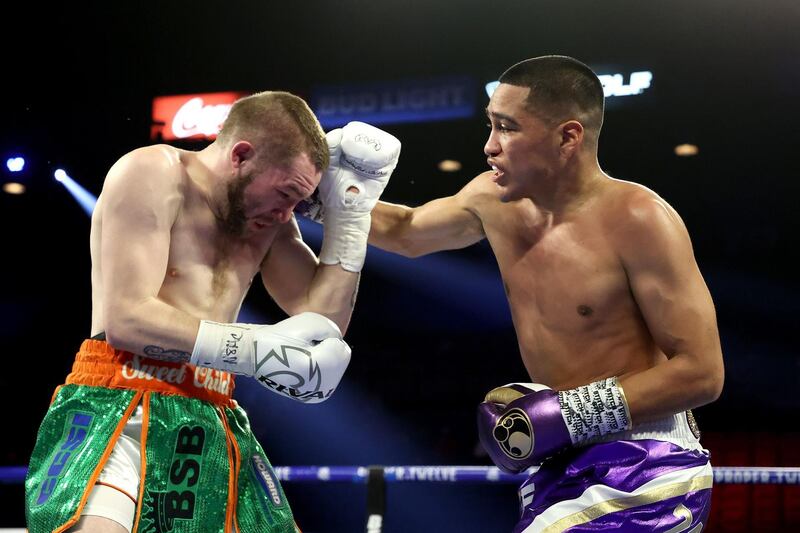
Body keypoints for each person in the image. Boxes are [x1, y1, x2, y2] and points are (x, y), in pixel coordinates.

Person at [369, 56, 723, 532]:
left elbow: (703, 373)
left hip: (646, 460)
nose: (489, 146)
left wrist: (570, 414)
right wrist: (312, 194)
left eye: (507, 127)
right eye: (490, 125)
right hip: (560, 459)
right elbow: (406, 231)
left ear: (568, 136)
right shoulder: (491, 200)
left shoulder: (639, 218)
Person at [24, 91, 401, 533]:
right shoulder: (154, 173)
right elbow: (126, 320)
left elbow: (323, 330)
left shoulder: (273, 223)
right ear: (241, 154)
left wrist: (350, 219)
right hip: (121, 397)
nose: (287, 213)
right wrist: (252, 346)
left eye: (297, 202)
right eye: (283, 193)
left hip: (211, 406)